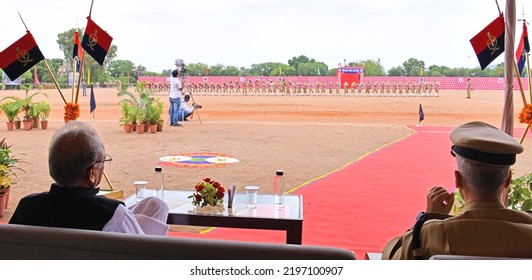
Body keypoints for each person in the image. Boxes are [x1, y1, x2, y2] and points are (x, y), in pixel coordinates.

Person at [382, 121, 532, 259]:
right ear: (508, 180)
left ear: (458, 179)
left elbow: (389, 258)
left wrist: (428, 217)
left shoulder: (430, 235)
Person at [9, 121, 169, 236]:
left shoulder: (27, 206)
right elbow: (145, 256)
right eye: (103, 161)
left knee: (155, 205)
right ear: (91, 174)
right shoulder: (113, 214)